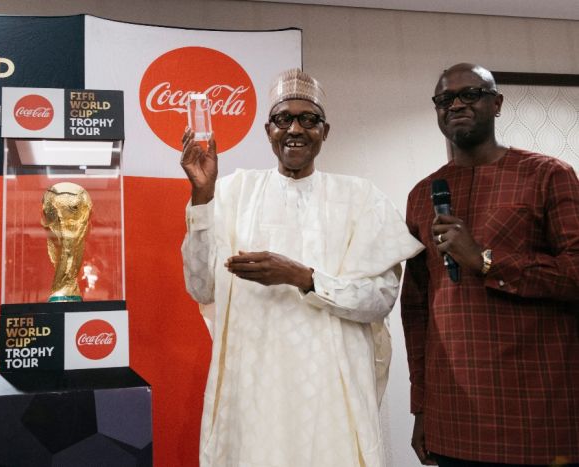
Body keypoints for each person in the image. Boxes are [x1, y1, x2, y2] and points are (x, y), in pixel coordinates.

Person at [180, 69, 423, 467]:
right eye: (283, 119)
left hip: (330, 389)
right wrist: (201, 196)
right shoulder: (231, 194)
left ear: (325, 131)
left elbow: (378, 300)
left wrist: (303, 278)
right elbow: (201, 287)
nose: (295, 129)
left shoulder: (361, 199)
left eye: (308, 119)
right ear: (268, 130)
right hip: (254, 389)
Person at [402, 63, 579, 467]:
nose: (457, 104)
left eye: (471, 94)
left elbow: (575, 273)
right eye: (446, 99)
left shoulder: (548, 176)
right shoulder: (421, 196)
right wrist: (422, 408)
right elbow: (415, 311)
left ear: (496, 104)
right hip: (453, 421)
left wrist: (485, 260)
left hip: (541, 419)